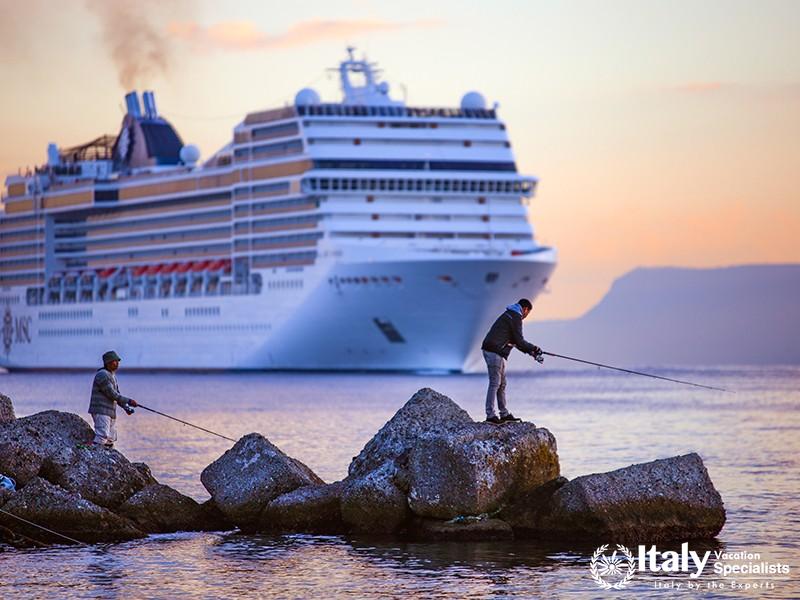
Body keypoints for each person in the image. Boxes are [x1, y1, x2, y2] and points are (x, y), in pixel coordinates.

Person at [480, 299, 543, 424]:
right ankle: (490, 415)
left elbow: (515, 341)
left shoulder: (510, 314)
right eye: (527, 313)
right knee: (495, 383)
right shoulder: (515, 317)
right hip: (494, 351)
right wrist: (535, 348)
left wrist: (531, 352)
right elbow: (520, 341)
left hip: (495, 351)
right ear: (525, 309)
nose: (526, 316)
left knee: (502, 384)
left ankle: (504, 414)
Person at [88, 350, 137, 448]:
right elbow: (112, 394)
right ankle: (89, 451)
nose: (117, 363)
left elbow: (117, 394)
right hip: (101, 411)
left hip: (110, 412)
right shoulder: (102, 375)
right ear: (108, 363)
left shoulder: (112, 376)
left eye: (118, 361)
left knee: (110, 438)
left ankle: (107, 458)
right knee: (102, 436)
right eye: (115, 361)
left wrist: (126, 407)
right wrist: (129, 401)